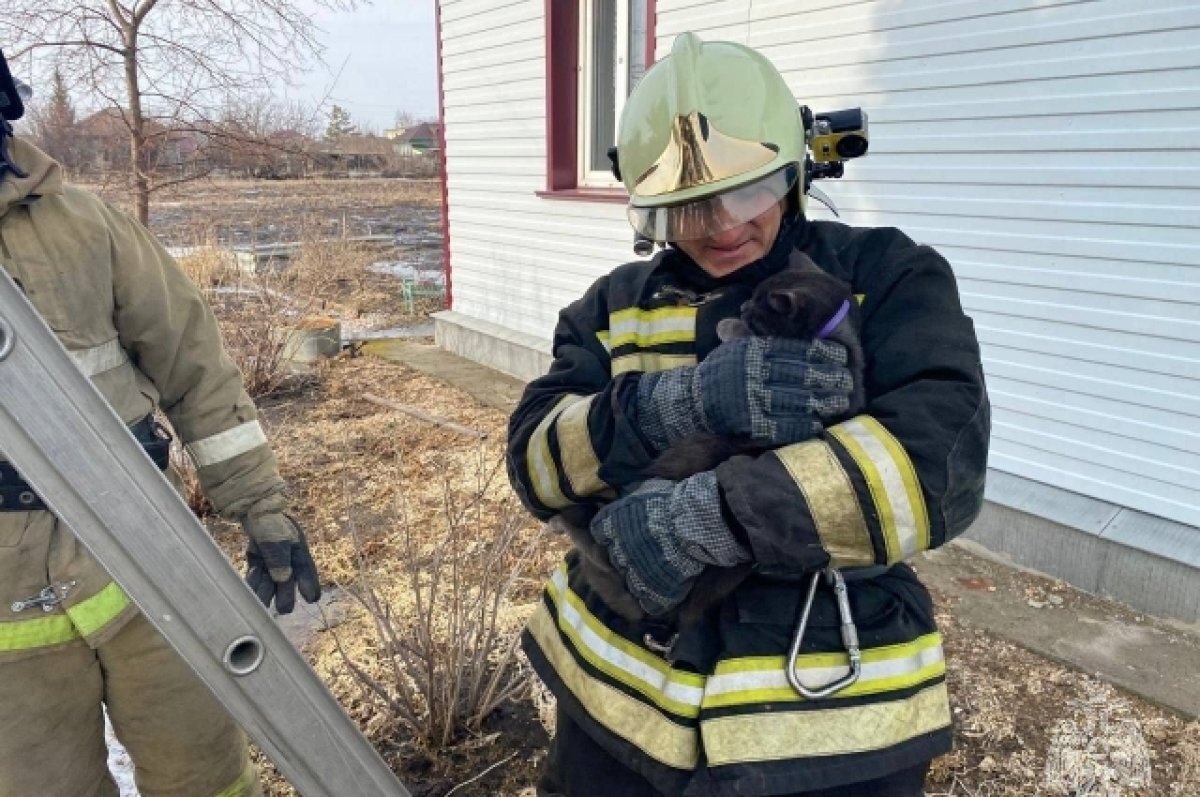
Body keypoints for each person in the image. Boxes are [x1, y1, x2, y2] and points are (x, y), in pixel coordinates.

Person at [506, 32, 990, 797]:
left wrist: (718, 515)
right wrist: (673, 406)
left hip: (829, 721)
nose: (722, 226)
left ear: (798, 169)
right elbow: (535, 462)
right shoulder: (609, 309)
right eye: (686, 209)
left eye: (750, 193)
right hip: (614, 706)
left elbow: (934, 469)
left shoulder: (889, 278)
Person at [0, 50, 321, 797]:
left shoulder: (86, 227)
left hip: (145, 552)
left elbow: (192, 364)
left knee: (205, 775)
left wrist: (260, 507)